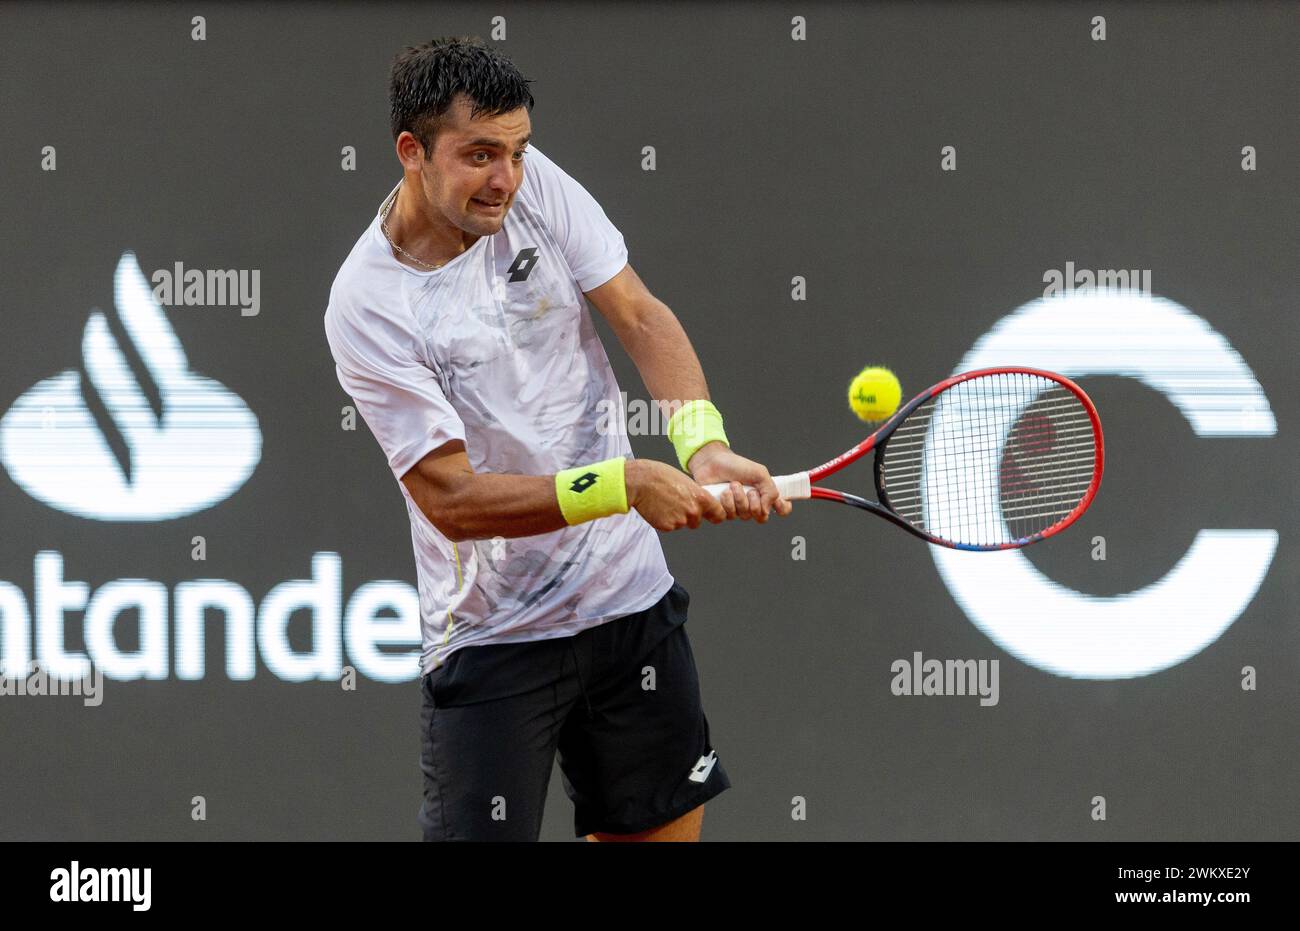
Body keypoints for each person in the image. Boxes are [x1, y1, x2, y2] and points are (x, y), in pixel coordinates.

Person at [324, 36, 791, 842]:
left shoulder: (534, 188)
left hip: (627, 605)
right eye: (478, 155)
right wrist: (624, 485)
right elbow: (453, 500)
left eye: (516, 151)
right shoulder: (367, 305)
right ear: (411, 151)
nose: (505, 177)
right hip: (493, 637)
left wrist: (702, 443)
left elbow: (640, 315)